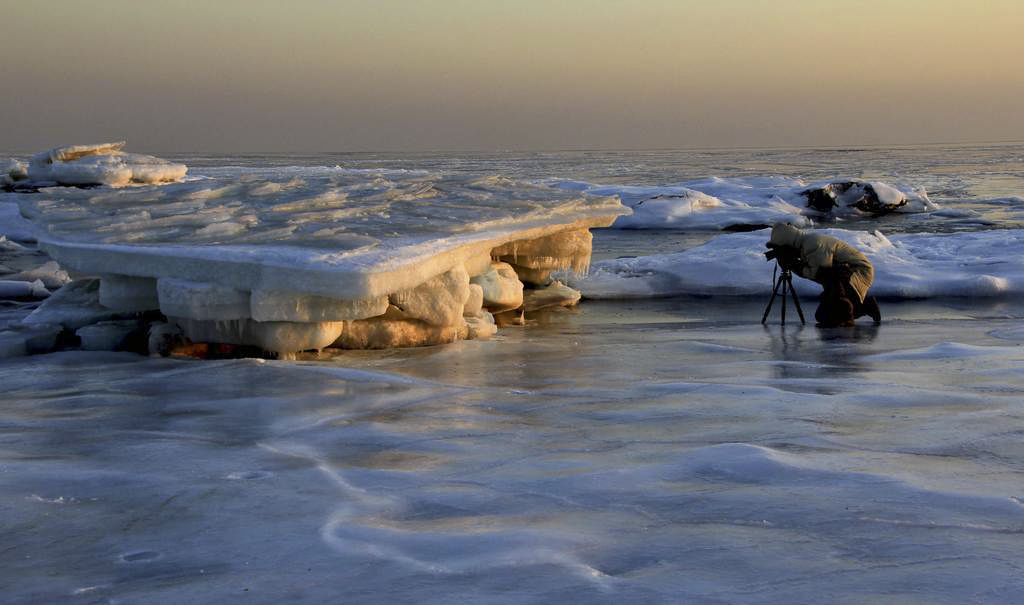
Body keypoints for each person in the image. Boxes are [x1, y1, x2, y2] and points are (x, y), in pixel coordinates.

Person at [766, 223, 881, 327]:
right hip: (845, 274)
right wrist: (794, 263)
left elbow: (818, 273)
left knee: (829, 277)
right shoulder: (805, 243)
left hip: (858, 272)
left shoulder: (812, 244)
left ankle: (848, 313)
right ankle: (864, 306)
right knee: (823, 317)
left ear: (787, 242)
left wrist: (794, 265)